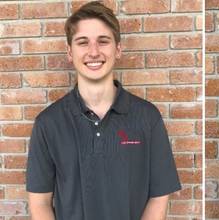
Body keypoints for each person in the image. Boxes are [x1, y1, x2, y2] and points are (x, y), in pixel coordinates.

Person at [26, 2, 181, 220]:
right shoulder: (48, 123)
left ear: (118, 49)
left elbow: (159, 197)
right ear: (70, 52)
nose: (94, 52)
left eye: (103, 41)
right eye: (83, 42)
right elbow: (40, 203)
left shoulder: (147, 118)